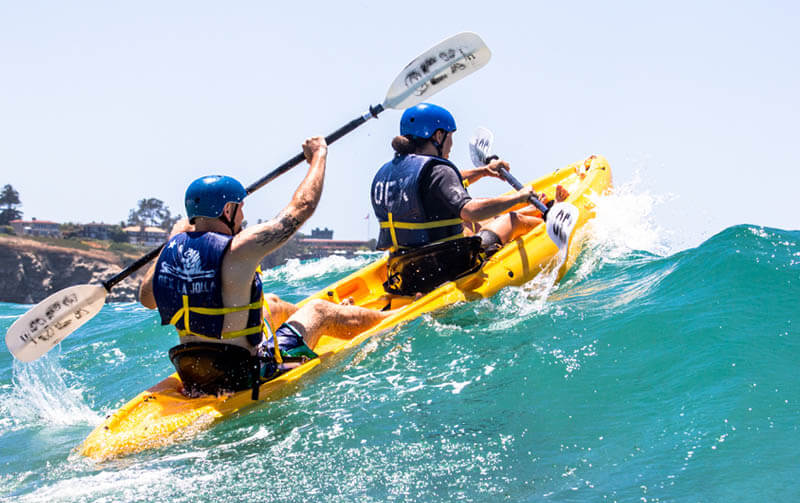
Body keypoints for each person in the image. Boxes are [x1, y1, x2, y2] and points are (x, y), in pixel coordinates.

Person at [139, 137, 392, 398]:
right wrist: (318, 155)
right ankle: (389, 320)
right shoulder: (238, 248)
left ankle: (331, 317)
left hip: (196, 372)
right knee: (319, 310)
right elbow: (302, 207)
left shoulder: (171, 251)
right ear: (227, 210)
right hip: (245, 375)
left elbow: (146, 299)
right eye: (240, 209)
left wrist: (171, 241)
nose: (243, 217)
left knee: (270, 303)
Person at [371, 103, 568, 295]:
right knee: (512, 220)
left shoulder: (388, 173)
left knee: (475, 218)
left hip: (407, 272)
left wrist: (484, 171)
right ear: (438, 136)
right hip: (450, 266)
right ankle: (548, 221)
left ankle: (535, 210)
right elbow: (470, 210)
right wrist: (519, 197)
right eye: (450, 136)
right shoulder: (438, 170)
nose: (451, 144)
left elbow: (439, 186)